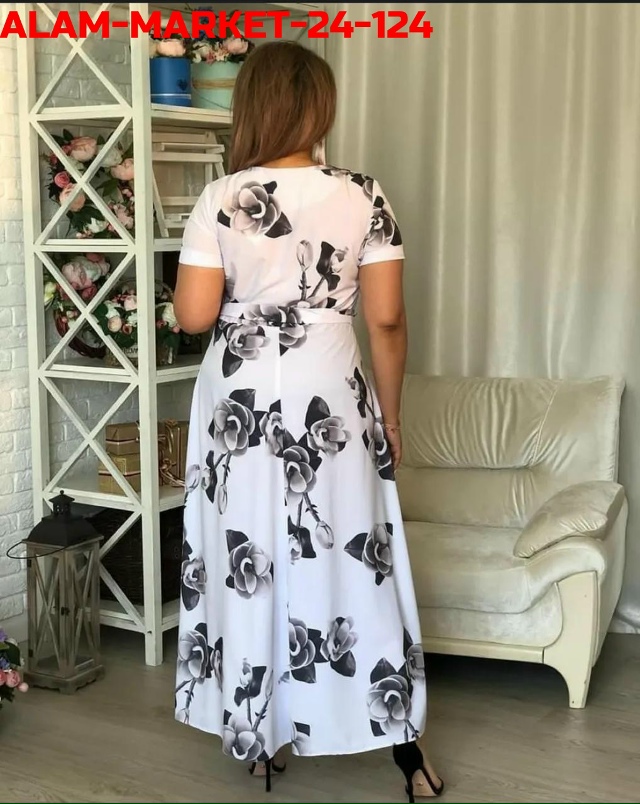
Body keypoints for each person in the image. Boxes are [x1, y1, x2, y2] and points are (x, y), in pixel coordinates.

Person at [173, 41, 444, 802]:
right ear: (319, 107)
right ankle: (408, 756)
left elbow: (193, 316)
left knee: (247, 552)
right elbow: (385, 319)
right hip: (332, 392)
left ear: (250, 107)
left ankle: (260, 735)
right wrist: (391, 415)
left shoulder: (221, 196)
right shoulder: (364, 194)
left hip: (238, 398)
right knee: (359, 558)